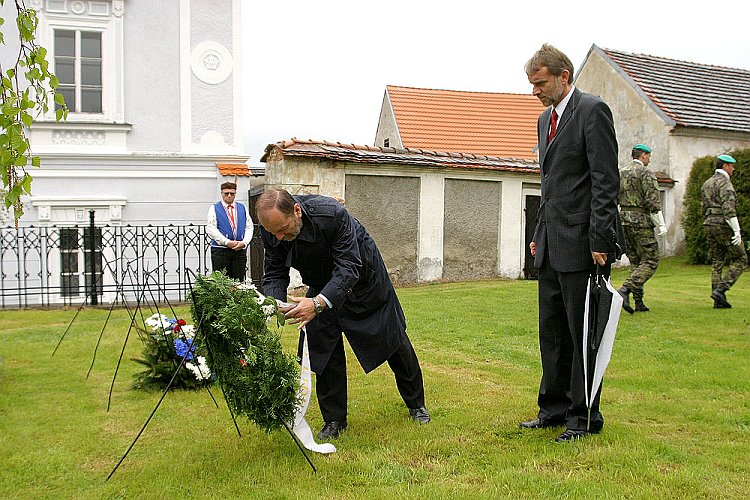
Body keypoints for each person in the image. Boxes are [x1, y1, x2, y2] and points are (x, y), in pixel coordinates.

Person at [256, 189, 430, 440]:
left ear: (296, 210)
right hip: (320, 281)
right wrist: (275, 301)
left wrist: (317, 304)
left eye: (283, 229)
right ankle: (334, 420)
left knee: (393, 340)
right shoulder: (272, 229)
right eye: (274, 233)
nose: (280, 238)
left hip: (363, 280)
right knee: (322, 347)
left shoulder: (333, 215)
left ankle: (417, 404)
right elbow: (273, 272)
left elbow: (349, 267)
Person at [521, 44, 621, 442]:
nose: (535, 92)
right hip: (550, 245)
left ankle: (583, 418)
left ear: (564, 77)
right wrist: (538, 235)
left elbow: (604, 180)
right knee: (553, 333)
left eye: (540, 83)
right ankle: (553, 408)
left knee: (582, 336)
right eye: (532, 85)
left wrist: (601, 238)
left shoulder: (592, 111)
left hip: (583, 245)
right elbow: (550, 187)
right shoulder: (545, 120)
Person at [617, 144, 666, 313]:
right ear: (643, 155)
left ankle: (638, 302)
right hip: (641, 221)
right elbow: (653, 201)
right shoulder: (646, 173)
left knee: (636, 261)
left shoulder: (621, 172)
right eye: (649, 156)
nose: (650, 159)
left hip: (624, 220)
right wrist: (661, 224)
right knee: (651, 260)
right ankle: (625, 290)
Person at [701, 154, 747, 308]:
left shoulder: (707, 183)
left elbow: (703, 207)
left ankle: (717, 300)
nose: (733, 169)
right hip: (723, 224)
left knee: (717, 261)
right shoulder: (725, 184)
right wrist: (737, 231)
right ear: (725, 166)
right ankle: (721, 290)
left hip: (708, 224)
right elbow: (728, 210)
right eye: (732, 166)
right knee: (741, 259)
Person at [206, 182, 254, 280]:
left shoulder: (242, 208)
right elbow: (211, 228)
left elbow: (249, 227)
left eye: (232, 193)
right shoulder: (214, 208)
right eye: (226, 193)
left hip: (239, 250)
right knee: (221, 282)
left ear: (235, 194)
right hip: (221, 250)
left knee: (238, 281)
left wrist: (244, 243)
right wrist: (226, 242)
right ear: (221, 193)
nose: (229, 196)